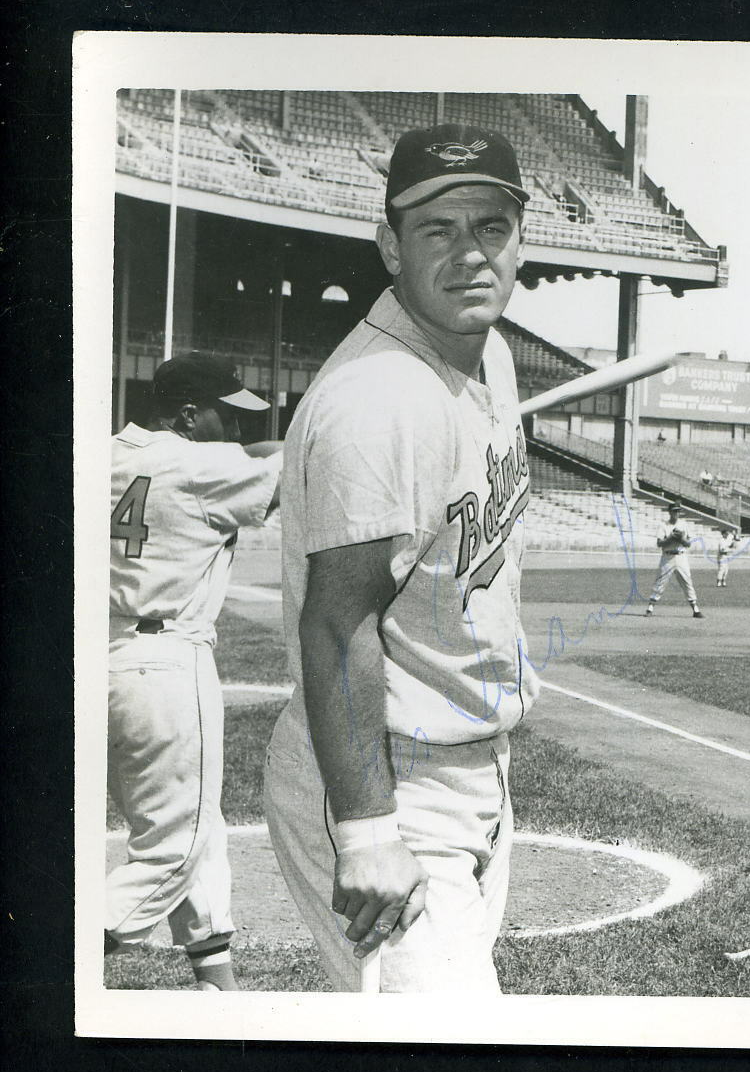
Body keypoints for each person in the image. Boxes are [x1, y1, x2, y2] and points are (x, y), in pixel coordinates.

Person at [265, 122, 539, 994]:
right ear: (389, 244)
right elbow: (337, 620)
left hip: (472, 769)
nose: (470, 255)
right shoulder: (380, 399)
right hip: (393, 780)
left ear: (519, 238)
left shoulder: (488, 351)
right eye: (437, 230)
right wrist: (368, 831)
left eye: (490, 227)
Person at [107, 352, 282, 991]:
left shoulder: (116, 450)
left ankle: (218, 984)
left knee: (195, 833)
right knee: (171, 853)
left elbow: (257, 449)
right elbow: (301, 469)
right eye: (224, 417)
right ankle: (56, 956)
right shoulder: (204, 466)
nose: (235, 432)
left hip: (105, 662)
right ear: (187, 415)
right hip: (168, 665)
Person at [645, 502, 704, 617]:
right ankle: (650, 608)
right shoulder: (664, 525)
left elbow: (688, 544)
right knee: (660, 581)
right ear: (669, 512)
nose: (676, 513)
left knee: (687, 581)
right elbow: (659, 543)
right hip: (667, 556)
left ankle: (695, 609)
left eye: (678, 511)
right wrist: (671, 538)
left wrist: (681, 538)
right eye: (674, 511)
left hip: (681, 556)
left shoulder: (684, 525)